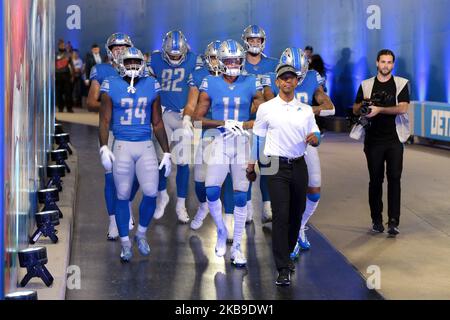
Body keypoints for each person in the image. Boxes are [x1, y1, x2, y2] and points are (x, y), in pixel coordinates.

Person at [247, 64, 320, 286]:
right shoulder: (266, 108)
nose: (288, 82)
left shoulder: (305, 109)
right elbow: (258, 138)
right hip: (275, 166)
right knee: (280, 215)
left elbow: (315, 132)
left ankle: (287, 255)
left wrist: (316, 138)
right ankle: (282, 267)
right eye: (283, 79)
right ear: (277, 82)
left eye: (292, 79)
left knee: (296, 215)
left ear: (297, 82)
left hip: (299, 164)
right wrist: (251, 165)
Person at [193, 39, 265, 267]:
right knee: (212, 190)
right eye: (229, 60)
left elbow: (264, 114)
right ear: (221, 62)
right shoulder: (210, 82)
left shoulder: (251, 81)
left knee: (241, 195)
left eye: (237, 60)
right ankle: (222, 231)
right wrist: (223, 122)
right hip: (219, 140)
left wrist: (245, 125)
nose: (234, 64)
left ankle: (237, 248)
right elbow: (197, 118)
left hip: (242, 142)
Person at [99, 47, 171, 262]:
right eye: (128, 62)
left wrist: (167, 151)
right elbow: (103, 120)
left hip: (145, 145)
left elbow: (157, 122)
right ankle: (124, 243)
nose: (132, 66)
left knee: (150, 192)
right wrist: (103, 146)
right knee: (122, 194)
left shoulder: (151, 84)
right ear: (121, 63)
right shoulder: (111, 84)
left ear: (143, 63)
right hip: (121, 144)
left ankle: (140, 234)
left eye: (136, 62)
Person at [262, 48, 334, 259]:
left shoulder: (312, 78)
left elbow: (330, 106)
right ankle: (288, 240)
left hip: (305, 142)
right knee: (285, 200)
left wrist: (302, 110)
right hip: (280, 144)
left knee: (314, 192)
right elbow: (267, 105)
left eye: (301, 70)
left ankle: (300, 227)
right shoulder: (275, 79)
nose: (297, 75)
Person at [352, 49, 410, 236]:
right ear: (377, 63)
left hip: (394, 139)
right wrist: (364, 106)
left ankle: (393, 221)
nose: (386, 65)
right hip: (373, 140)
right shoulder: (366, 85)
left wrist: (379, 109)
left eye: (389, 62)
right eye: (383, 62)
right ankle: (376, 220)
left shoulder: (401, 84)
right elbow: (355, 108)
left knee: (395, 179)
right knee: (375, 181)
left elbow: (402, 108)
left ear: (393, 64)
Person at [87, 33, 136, 241]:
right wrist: (114, 107)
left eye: (124, 47)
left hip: (133, 130)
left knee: (134, 176)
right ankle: (114, 220)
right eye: (116, 48)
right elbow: (91, 102)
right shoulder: (102, 71)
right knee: (110, 177)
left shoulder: (138, 68)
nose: (120, 51)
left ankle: (126, 207)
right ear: (109, 51)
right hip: (111, 129)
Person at [150, 30, 199, 223]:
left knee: (183, 162)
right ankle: (162, 195)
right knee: (161, 160)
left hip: (182, 115)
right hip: (163, 114)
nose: (176, 58)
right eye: (172, 55)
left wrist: (191, 114)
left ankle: (181, 204)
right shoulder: (154, 60)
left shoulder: (195, 59)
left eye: (179, 55)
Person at [241, 25, 278, 225]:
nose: (255, 43)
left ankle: (267, 205)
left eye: (258, 40)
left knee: (267, 164)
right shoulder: (237, 62)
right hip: (245, 120)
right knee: (246, 166)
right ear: (245, 40)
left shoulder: (273, 65)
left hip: (267, 121)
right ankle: (246, 206)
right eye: (251, 39)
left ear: (263, 42)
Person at [183, 40, 222, 231]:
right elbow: (191, 103)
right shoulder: (199, 75)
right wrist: (186, 118)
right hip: (208, 130)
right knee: (199, 178)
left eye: (219, 57)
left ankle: (235, 214)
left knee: (232, 179)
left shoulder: (238, 76)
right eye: (213, 57)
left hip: (232, 133)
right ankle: (203, 205)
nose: (216, 62)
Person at [55, 39, 74, 113]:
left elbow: (71, 65)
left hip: (66, 75)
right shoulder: (55, 54)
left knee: (68, 93)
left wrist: (72, 75)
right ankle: (60, 108)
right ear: (58, 45)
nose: (62, 46)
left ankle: (69, 108)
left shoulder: (68, 54)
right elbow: (53, 65)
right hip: (58, 75)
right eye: (60, 45)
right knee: (59, 93)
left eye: (63, 45)